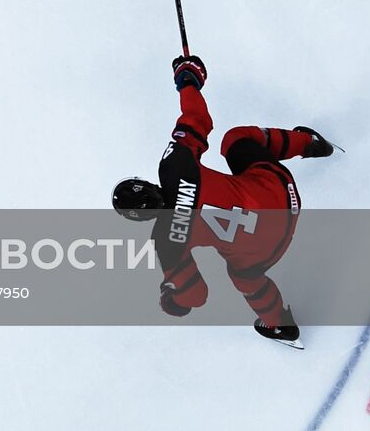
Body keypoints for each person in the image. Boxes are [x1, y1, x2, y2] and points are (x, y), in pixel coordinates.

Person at [111, 55, 336, 347]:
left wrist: (172, 299)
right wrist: (187, 79)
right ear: (147, 184)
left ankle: (279, 325)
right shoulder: (174, 166)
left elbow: (196, 296)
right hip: (283, 194)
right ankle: (310, 144)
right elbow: (197, 120)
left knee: (243, 275)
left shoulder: (166, 240)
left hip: (263, 254)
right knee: (235, 140)